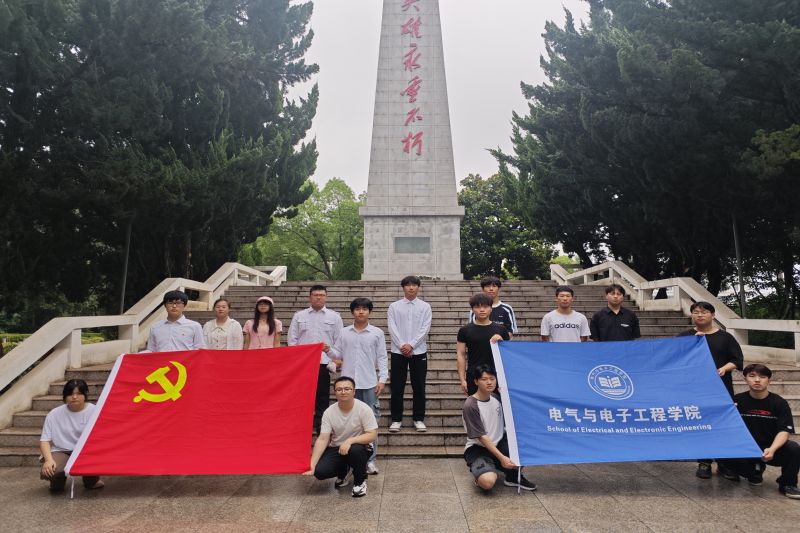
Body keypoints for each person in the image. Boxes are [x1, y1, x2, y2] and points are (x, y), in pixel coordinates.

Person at [678, 300, 744, 479]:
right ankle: (704, 462)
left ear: (713, 315)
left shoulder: (725, 337)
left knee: (722, 425)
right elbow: (674, 358)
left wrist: (724, 368)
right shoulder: (685, 336)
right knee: (701, 425)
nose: (700, 315)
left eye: (704, 312)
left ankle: (724, 463)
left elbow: (737, 360)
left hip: (721, 389)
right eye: (696, 312)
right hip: (695, 390)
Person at [717, 364, 800, 499]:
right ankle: (753, 472)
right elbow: (723, 427)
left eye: (762, 377)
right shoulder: (737, 401)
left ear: (769, 381)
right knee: (720, 448)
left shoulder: (779, 403)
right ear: (745, 379)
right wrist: (728, 413)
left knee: (793, 448)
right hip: (745, 447)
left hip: (769, 447)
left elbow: (784, 431)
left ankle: (788, 484)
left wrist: (772, 449)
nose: (757, 380)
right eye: (752, 376)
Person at [330, 297, 388, 475]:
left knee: (370, 422)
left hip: (369, 383)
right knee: (348, 421)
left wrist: (382, 379)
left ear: (369, 312)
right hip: (348, 385)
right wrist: (327, 349)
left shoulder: (377, 333)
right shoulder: (344, 332)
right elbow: (337, 354)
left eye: (364, 309)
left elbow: (382, 357)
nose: (361, 312)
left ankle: (370, 460)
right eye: (357, 309)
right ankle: (348, 461)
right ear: (352, 312)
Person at [462, 364, 536, 492]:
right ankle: (482, 474)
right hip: (479, 448)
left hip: (500, 443)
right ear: (476, 381)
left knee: (526, 446)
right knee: (488, 482)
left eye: (492, 378)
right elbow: (482, 437)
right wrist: (502, 458)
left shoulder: (496, 398)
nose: (489, 382)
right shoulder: (471, 405)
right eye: (484, 379)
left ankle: (512, 477)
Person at [303, 376, 378, 498]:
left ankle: (360, 482)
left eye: (347, 389)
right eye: (339, 389)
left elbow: (372, 435)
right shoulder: (329, 412)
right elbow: (323, 439)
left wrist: (350, 441)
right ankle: (344, 471)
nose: (343, 392)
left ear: (354, 391)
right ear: (335, 392)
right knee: (320, 472)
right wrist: (312, 465)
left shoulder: (364, 409)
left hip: (360, 447)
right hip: (337, 448)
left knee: (355, 450)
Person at [288, 285, 343, 433]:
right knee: (301, 395)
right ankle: (301, 424)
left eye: (321, 295)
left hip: (323, 362)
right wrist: (296, 359)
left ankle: (321, 426)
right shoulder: (299, 316)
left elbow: (339, 341)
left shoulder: (334, 317)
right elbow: (292, 339)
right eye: (315, 295)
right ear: (310, 297)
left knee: (322, 396)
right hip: (303, 363)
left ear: (326, 297)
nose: (318, 297)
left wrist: (335, 358)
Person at [40, 379, 104, 492]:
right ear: (65, 396)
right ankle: (57, 482)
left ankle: (92, 481)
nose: (74, 397)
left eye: (79, 394)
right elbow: (44, 440)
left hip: (86, 451)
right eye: (70, 394)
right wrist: (48, 460)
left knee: (94, 467)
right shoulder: (54, 414)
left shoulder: (95, 411)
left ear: (85, 395)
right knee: (53, 472)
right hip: (61, 450)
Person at [387, 275, 432, 433]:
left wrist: (411, 344)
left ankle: (418, 419)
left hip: (419, 351)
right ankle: (396, 419)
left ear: (418, 287)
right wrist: (402, 345)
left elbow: (425, 328)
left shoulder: (425, 307)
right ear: (403, 287)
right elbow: (392, 327)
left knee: (419, 386)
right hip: (398, 351)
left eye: (414, 285)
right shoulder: (394, 306)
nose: (411, 287)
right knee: (397, 386)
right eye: (408, 285)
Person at [457, 293, 510, 396]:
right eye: (477, 307)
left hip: (496, 375)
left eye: (485, 307)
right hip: (474, 375)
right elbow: (461, 354)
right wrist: (462, 379)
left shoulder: (501, 330)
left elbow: (508, 354)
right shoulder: (464, 330)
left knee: (498, 404)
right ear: (472, 309)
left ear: (491, 308)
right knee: (476, 404)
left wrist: (502, 341)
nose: (482, 310)